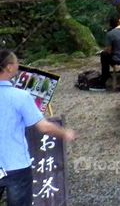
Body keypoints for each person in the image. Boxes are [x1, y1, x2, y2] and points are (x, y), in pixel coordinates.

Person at [0, 50, 77, 206]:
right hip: (16, 165)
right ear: (9, 67)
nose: (18, 65)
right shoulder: (20, 96)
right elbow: (44, 127)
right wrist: (65, 133)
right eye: (16, 62)